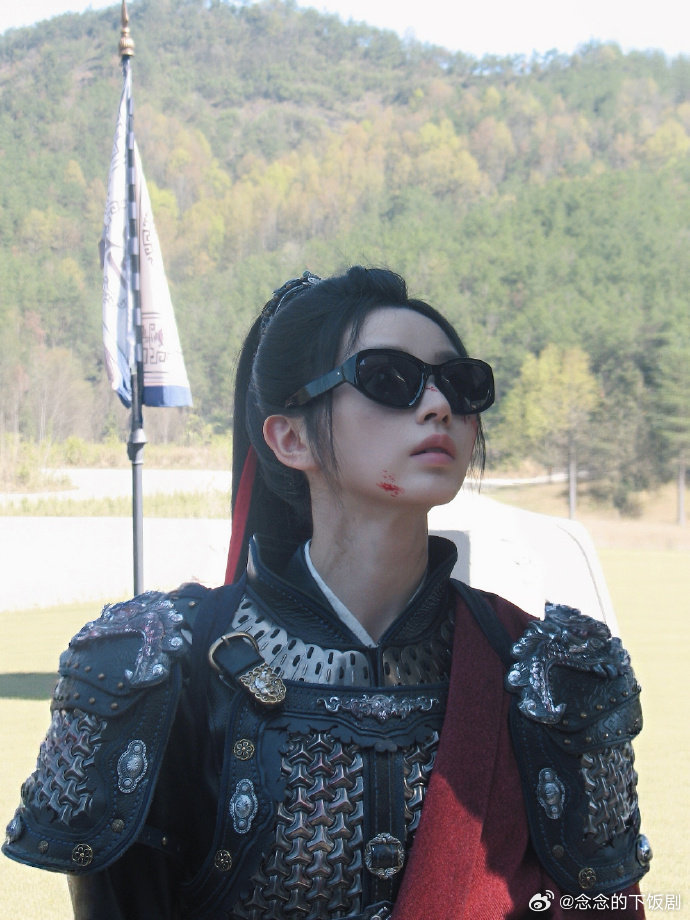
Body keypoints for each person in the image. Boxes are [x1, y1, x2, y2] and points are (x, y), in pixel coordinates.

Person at [3, 267, 651, 919]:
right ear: (290, 438)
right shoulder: (154, 665)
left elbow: (602, 907)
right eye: (389, 379)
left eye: (461, 383)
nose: (439, 405)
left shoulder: (549, 670)